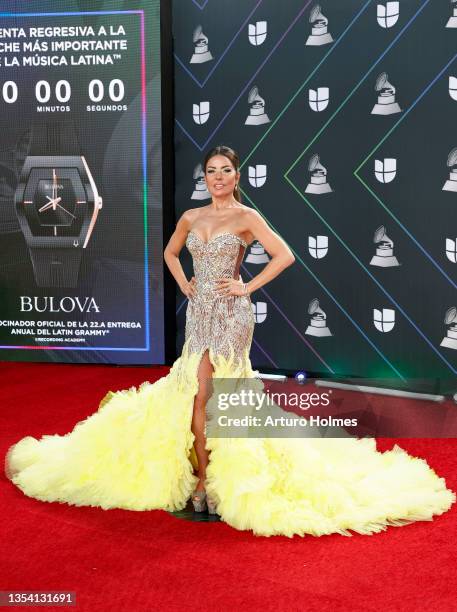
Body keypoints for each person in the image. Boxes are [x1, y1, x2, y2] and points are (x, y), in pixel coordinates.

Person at [4, 145, 455, 538]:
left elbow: (285, 255)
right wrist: (184, 282)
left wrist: (247, 286)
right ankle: (202, 481)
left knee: (224, 394)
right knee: (198, 393)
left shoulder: (246, 216)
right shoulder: (191, 215)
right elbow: (169, 252)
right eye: (210, 171)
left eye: (225, 171)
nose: (217, 178)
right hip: (200, 312)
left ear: (237, 176)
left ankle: (222, 480)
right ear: (204, 177)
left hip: (232, 315)